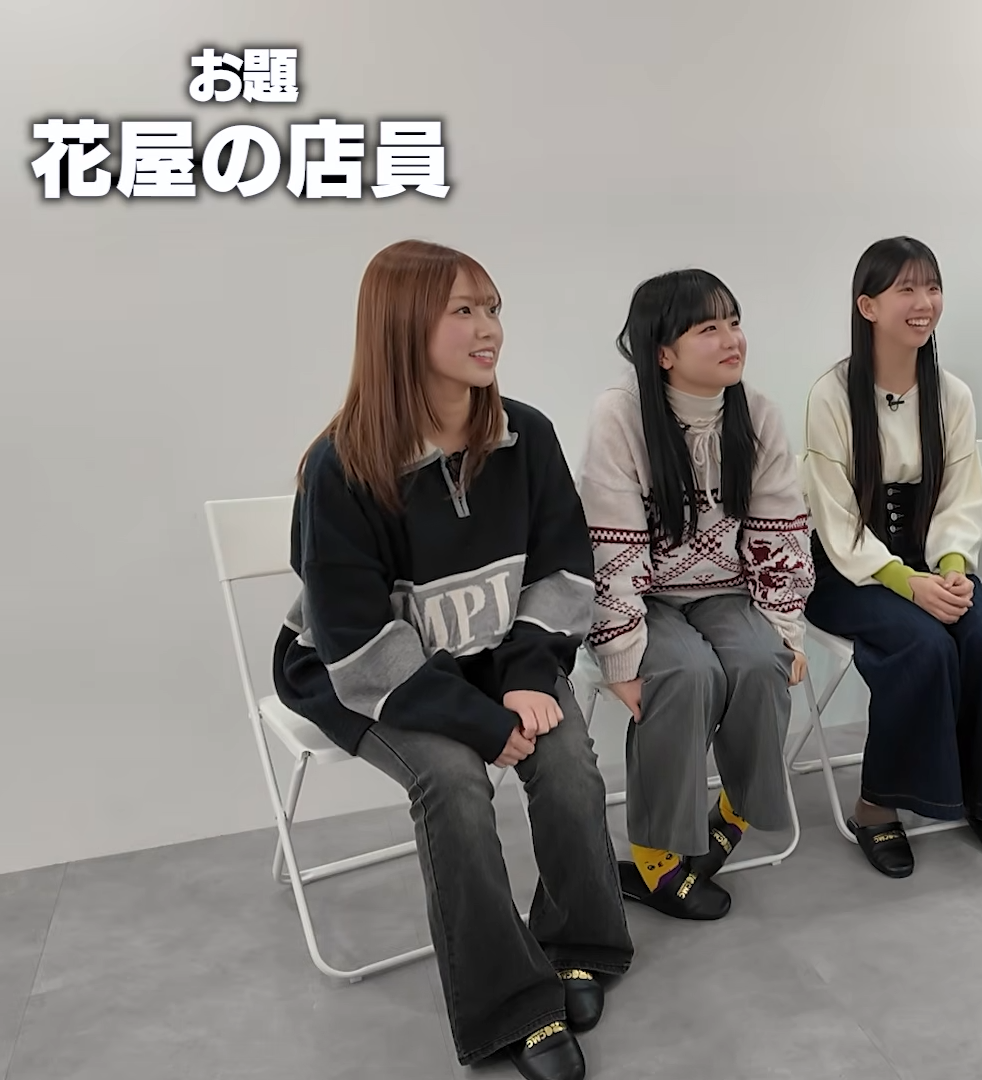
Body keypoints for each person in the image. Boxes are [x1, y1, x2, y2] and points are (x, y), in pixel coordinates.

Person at [272, 239, 633, 1080]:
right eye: (463, 311)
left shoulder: (526, 435)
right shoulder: (342, 467)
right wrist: (476, 720)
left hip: (495, 656)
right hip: (365, 673)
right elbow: (356, 639)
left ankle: (579, 943)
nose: (488, 328)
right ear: (401, 326)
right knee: (455, 781)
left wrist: (528, 675)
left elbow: (563, 571)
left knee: (568, 761)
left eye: (493, 308)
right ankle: (511, 1007)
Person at [800, 235, 982, 878]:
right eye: (905, 288)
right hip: (850, 569)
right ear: (868, 305)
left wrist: (953, 572)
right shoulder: (832, 394)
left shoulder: (952, 394)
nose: (924, 302)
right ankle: (875, 807)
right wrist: (906, 583)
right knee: (924, 646)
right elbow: (835, 514)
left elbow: (961, 496)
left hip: (935, 560)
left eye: (932, 287)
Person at [580, 268, 813, 922]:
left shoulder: (757, 413)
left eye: (734, 323)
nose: (731, 339)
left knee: (762, 664)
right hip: (645, 598)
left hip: (724, 591)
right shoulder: (620, 414)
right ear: (663, 352)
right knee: (685, 675)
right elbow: (611, 545)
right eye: (708, 328)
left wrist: (786, 631)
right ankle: (657, 856)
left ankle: (735, 809)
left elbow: (779, 532)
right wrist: (620, 657)